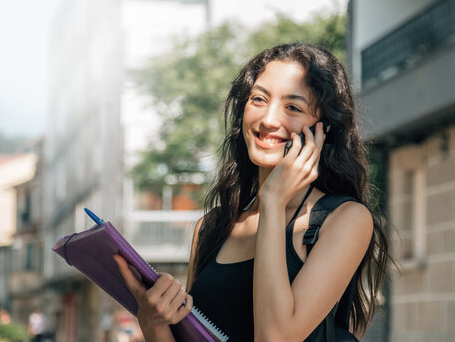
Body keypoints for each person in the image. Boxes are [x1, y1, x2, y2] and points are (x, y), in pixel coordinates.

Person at [114, 43, 391, 341]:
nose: (269, 120)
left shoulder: (344, 219)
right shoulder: (211, 228)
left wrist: (273, 201)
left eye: (293, 107)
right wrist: (153, 322)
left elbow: (274, 337)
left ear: (324, 129)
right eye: (258, 99)